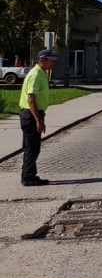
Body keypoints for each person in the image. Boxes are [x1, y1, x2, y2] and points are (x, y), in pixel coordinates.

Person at [18, 49, 59, 186]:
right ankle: (27, 177)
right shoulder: (36, 75)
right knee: (31, 147)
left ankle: (30, 174)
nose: (52, 63)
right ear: (42, 60)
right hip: (31, 115)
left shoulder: (41, 74)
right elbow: (31, 99)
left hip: (33, 114)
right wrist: (38, 120)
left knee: (33, 146)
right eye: (50, 60)